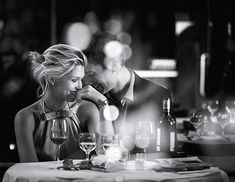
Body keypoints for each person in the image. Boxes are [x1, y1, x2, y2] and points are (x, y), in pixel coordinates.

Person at [14, 44, 113, 162]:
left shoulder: (87, 110)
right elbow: (29, 170)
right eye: (74, 80)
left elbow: (106, 153)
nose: (80, 86)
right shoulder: (25, 117)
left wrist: (103, 103)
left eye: (81, 79)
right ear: (51, 79)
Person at [77, 31, 172, 153]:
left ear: (114, 65)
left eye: (91, 74)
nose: (87, 83)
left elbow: (164, 150)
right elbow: (102, 152)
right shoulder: (93, 98)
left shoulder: (158, 96)